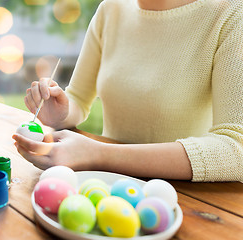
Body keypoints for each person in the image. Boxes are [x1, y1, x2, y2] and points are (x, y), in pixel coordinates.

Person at [12, 0, 243, 182]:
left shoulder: (230, 13)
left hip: (185, 198)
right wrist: (61, 113)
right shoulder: (110, 10)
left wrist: (98, 155)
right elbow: (79, 98)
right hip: (106, 183)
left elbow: (236, 149)